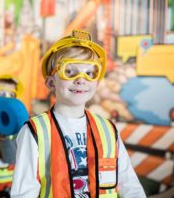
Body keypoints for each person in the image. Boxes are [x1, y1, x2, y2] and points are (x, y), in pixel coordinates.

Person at [11, 30, 146, 198]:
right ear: (51, 82)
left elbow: (130, 186)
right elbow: (23, 193)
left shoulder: (108, 130)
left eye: (90, 73)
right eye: (70, 71)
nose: (81, 79)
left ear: (97, 82)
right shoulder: (35, 131)